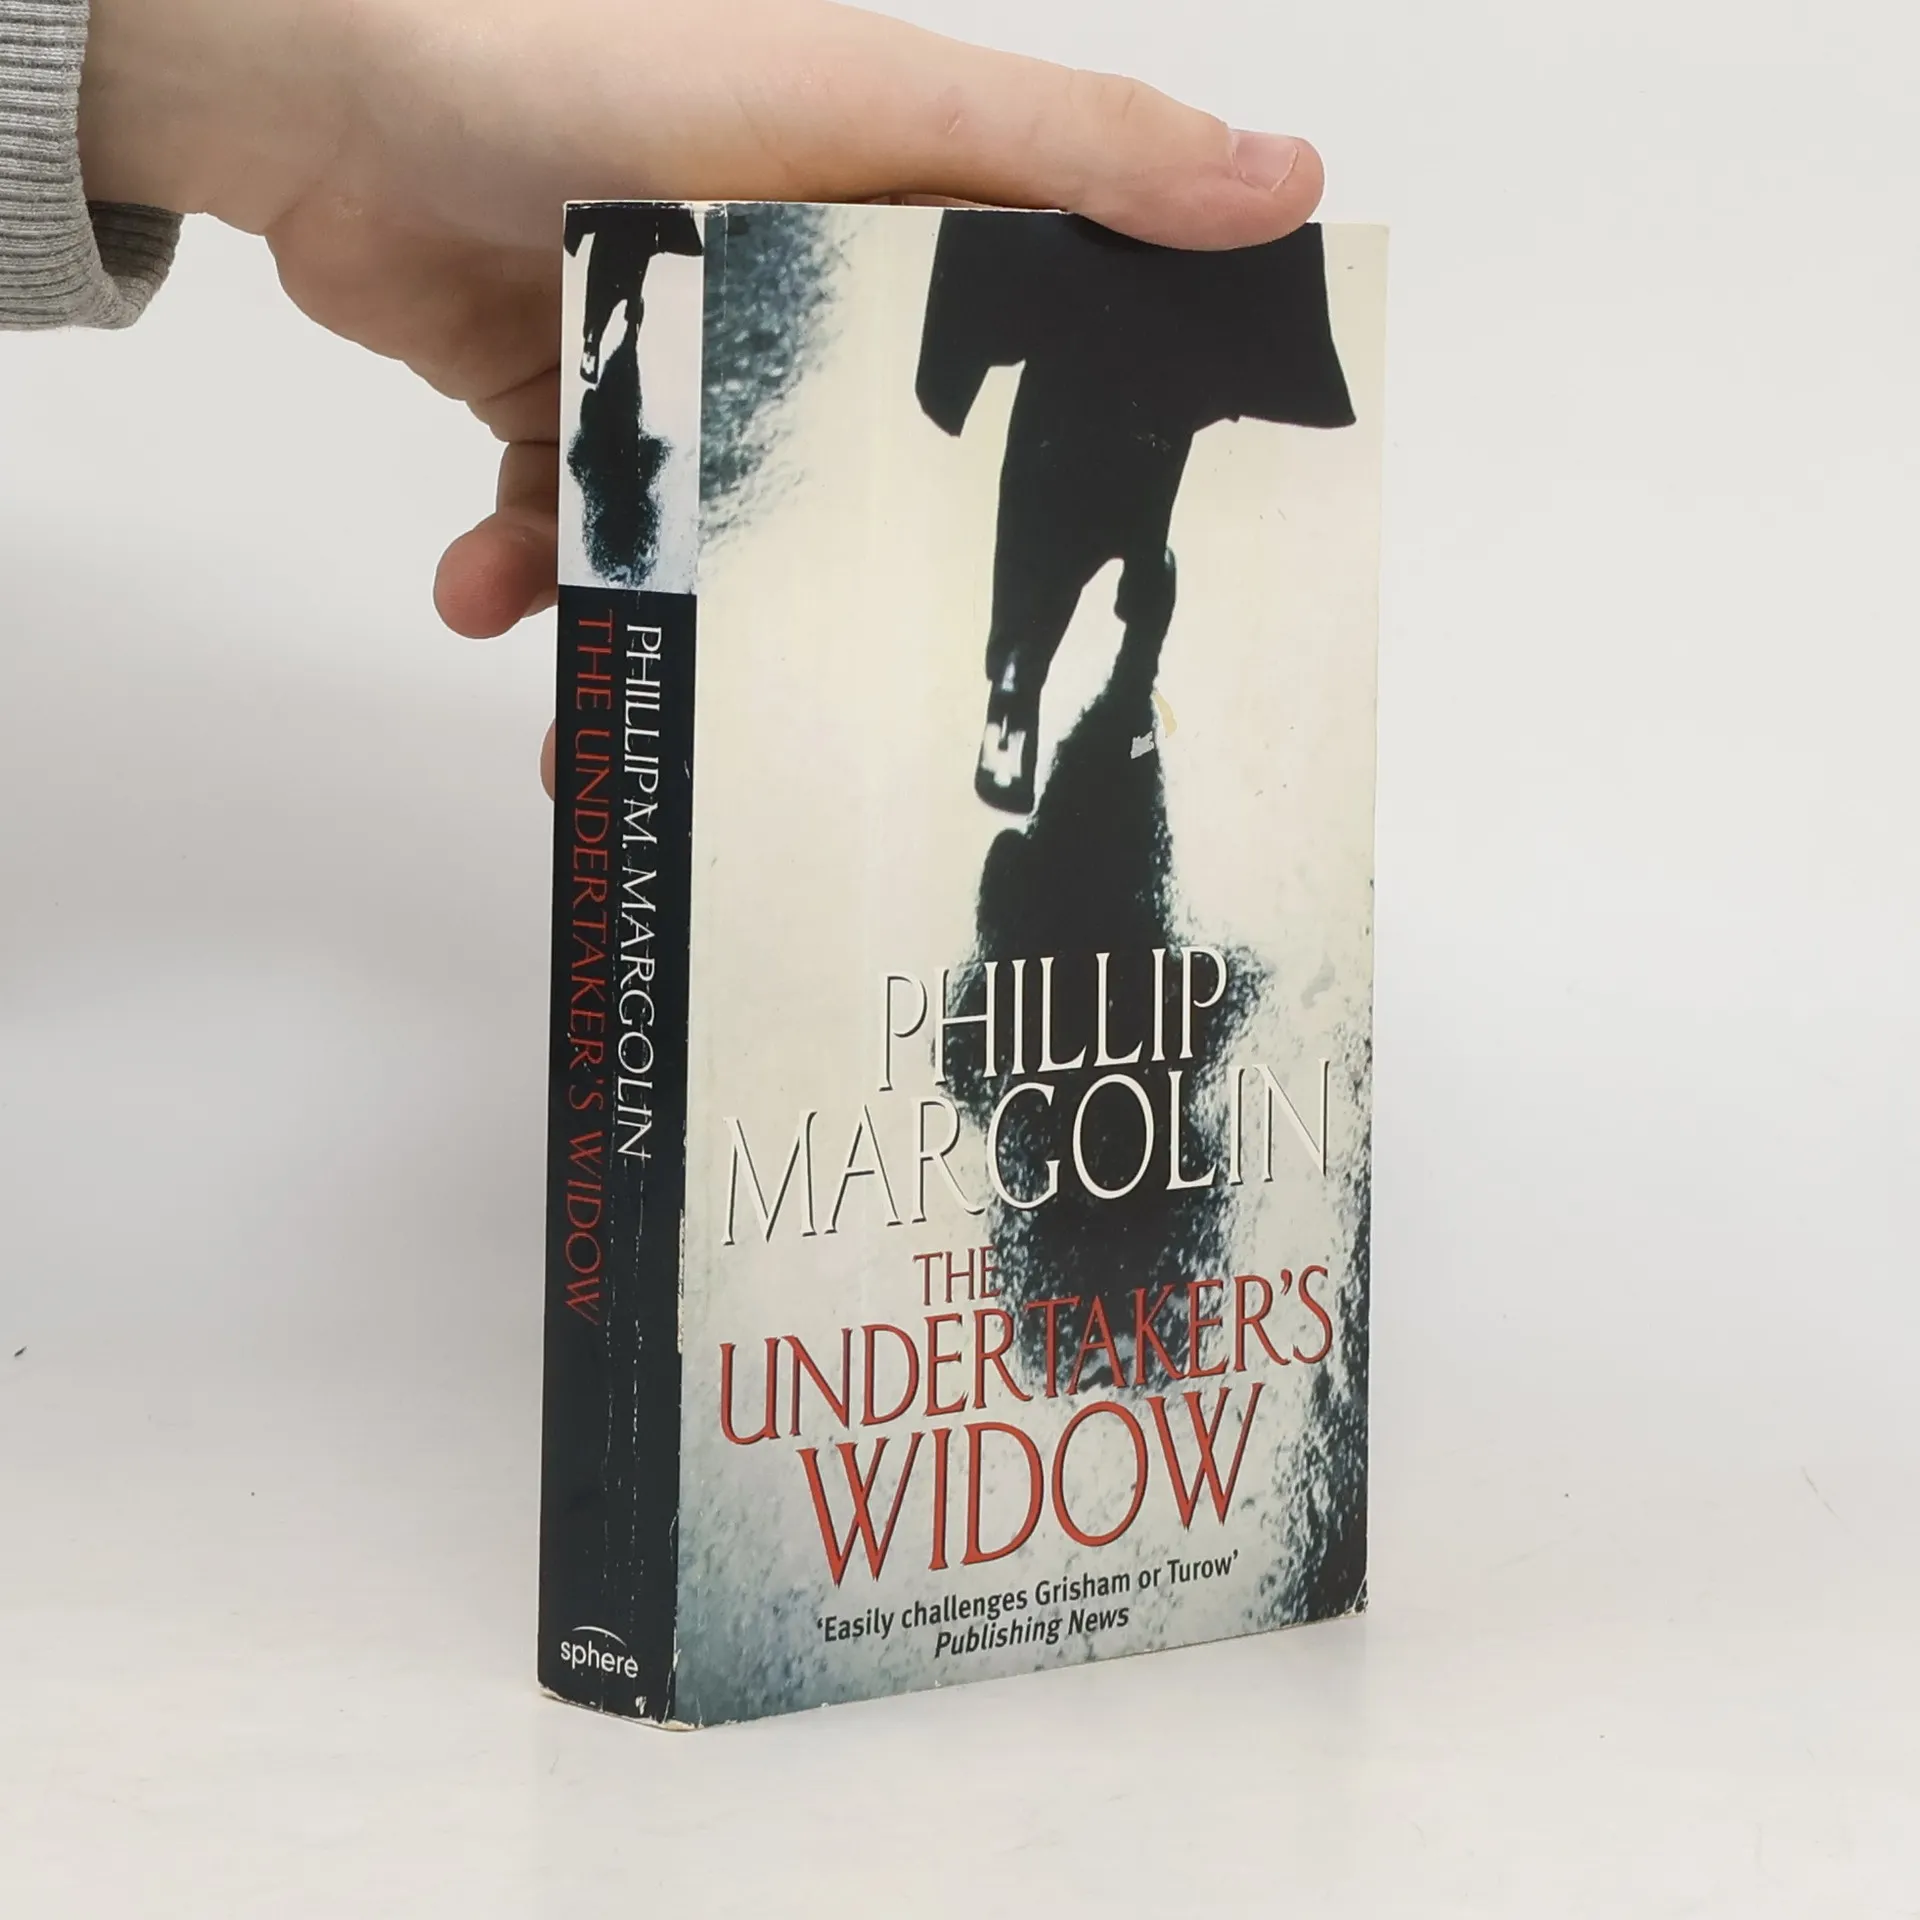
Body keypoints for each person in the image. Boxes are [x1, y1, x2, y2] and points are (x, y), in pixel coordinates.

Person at [2, 0, 1326, 786]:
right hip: (1058, 438)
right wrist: (316, 115)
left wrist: (315, 111)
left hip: (1100, 433)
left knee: (1099, 578)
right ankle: (1022, 684)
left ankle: (1048, 683)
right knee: (1042, 582)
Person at [916, 211, 1355, 812]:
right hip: (1175, 272)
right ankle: (1143, 567)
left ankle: (1017, 674)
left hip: (1072, 252)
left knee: (1066, 373)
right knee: (1163, 350)